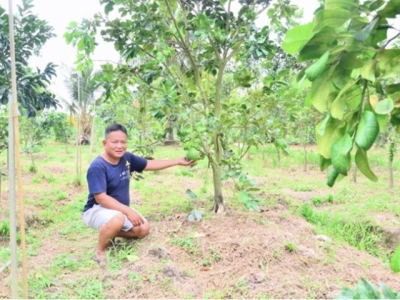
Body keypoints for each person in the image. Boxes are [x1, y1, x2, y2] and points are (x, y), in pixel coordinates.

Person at [82, 123, 194, 265]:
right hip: (96, 209)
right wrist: (128, 211)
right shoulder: (97, 166)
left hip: (118, 210)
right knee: (118, 219)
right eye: (115, 142)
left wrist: (177, 161)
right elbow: (101, 198)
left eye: (123, 142)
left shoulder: (126, 158)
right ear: (105, 143)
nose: (119, 146)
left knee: (143, 229)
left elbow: (148, 164)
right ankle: (100, 251)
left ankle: (109, 232)